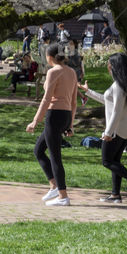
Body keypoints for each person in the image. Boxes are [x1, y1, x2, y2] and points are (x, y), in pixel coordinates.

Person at [79, 53, 127, 203]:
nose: (108, 67)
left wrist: (108, 133)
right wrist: (88, 91)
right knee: (115, 161)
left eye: (110, 65)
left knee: (107, 161)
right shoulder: (126, 83)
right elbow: (108, 101)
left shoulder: (119, 86)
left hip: (117, 130)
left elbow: (116, 111)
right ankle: (115, 195)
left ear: (116, 67)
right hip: (125, 129)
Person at [26, 43, 78, 206]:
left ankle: (63, 196)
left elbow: (47, 98)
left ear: (50, 57)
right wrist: (70, 123)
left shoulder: (52, 71)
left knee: (55, 157)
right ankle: (54, 186)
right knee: (39, 150)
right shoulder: (72, 72)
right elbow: (74, 101)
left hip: (54, 115)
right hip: (65, 115)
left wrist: (36, 120)